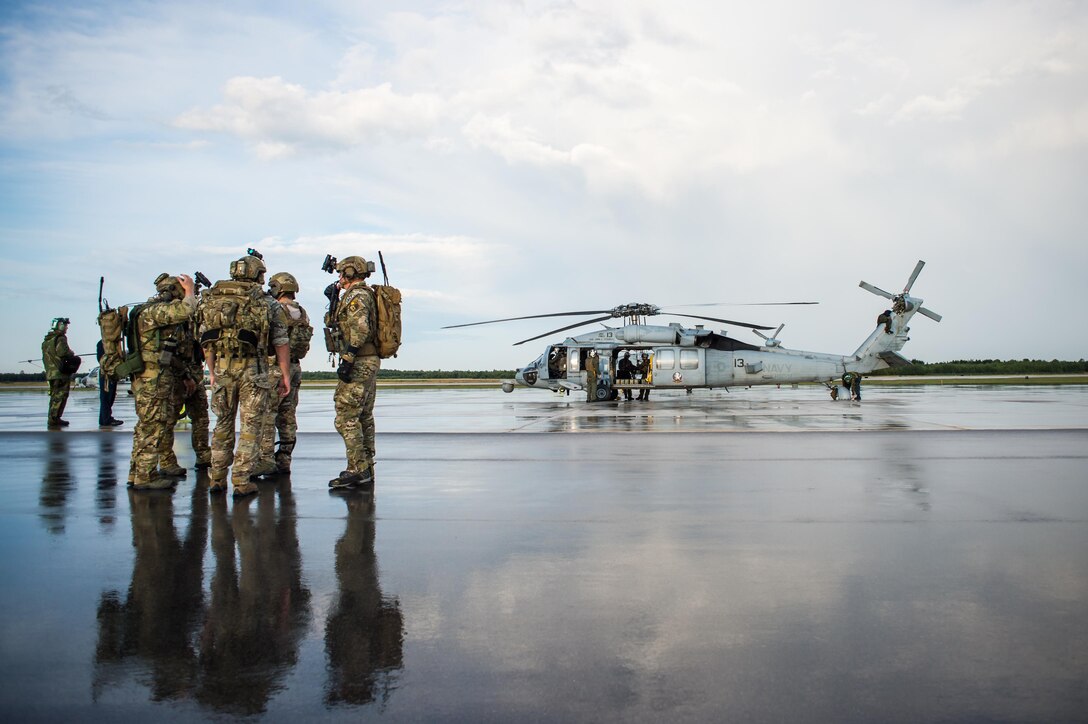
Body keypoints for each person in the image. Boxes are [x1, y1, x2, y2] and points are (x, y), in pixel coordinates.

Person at [198, 255, 290, 497]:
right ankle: (241, 480)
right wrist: (284, 373)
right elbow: (280, 341)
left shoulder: (212, 300)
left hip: (223, 368)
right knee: (250, 426)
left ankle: (216, 478)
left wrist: (212, 370)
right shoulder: (267, 302)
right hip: (254, 369)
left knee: (222, 423)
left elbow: (206, 341)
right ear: (256, 274)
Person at [127, 274, 197, 490]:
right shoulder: (155, 311)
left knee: (145, 426)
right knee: (153, 426)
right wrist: (190, 291)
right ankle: (145, 477)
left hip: (148, 376)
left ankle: (136, 472)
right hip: (154, 378)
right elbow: (187, 310)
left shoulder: (144, 310)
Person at [329, 256, 382, 490]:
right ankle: (366, 466)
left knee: (345, 415)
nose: (339, 277)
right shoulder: (362, 294)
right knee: (363, 416)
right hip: (367, 359)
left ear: (350, 273)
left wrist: (348, 358)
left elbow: (360, 328)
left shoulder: (357, 296)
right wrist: (332, 300)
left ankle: (357, 468)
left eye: (342, 273)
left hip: (359, 359)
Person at [256, 272, 312, 475]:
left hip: (276, 366)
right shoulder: (301, 312)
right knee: (288, 415)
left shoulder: (276, 309)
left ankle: (266, 459)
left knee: (267, 414)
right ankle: (285, 458)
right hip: (295, 366)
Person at [156, 279, 211, 477]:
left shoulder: (189, 319)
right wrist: (186, 376)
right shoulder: (168, 316)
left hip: (193, 370)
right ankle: (167, 460)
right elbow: (167, 355)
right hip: (176, 374)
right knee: (168, 420)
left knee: (201, 417)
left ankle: (204, 455)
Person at [42, 317, 77, 429]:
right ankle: (54, 419)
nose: (66, 327)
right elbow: (63, 352)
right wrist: (71, 353)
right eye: (65, 325)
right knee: (61, 396)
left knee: (54, 396)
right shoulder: (60, 338)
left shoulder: (47, 340)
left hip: (50, 373)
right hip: (60, 373)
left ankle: (53, 418)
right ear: (59, 325)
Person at [96, 340, 124, 428]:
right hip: (107, 375)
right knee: (107, 397)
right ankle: (106, 419)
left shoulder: (107, 344)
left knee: (109, 397)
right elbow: (102, 360)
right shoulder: (104, 344)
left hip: (110, 374)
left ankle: (104, 418)